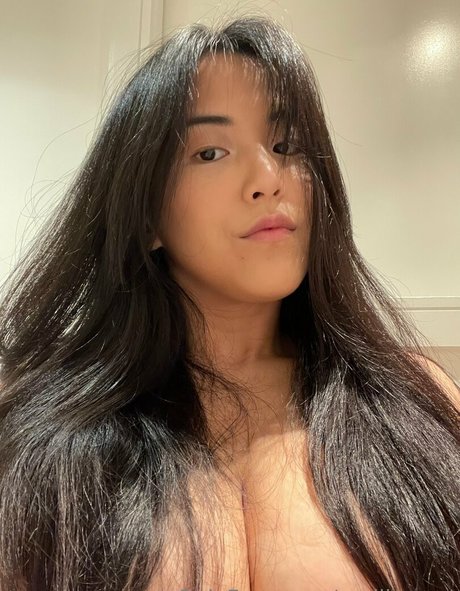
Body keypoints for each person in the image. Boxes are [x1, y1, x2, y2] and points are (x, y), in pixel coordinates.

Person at [0, 13, 459, 591]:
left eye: (286, 145)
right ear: (146, 214)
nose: (269, 178)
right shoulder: (41, 431)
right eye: (210, 153)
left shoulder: (416, 400)